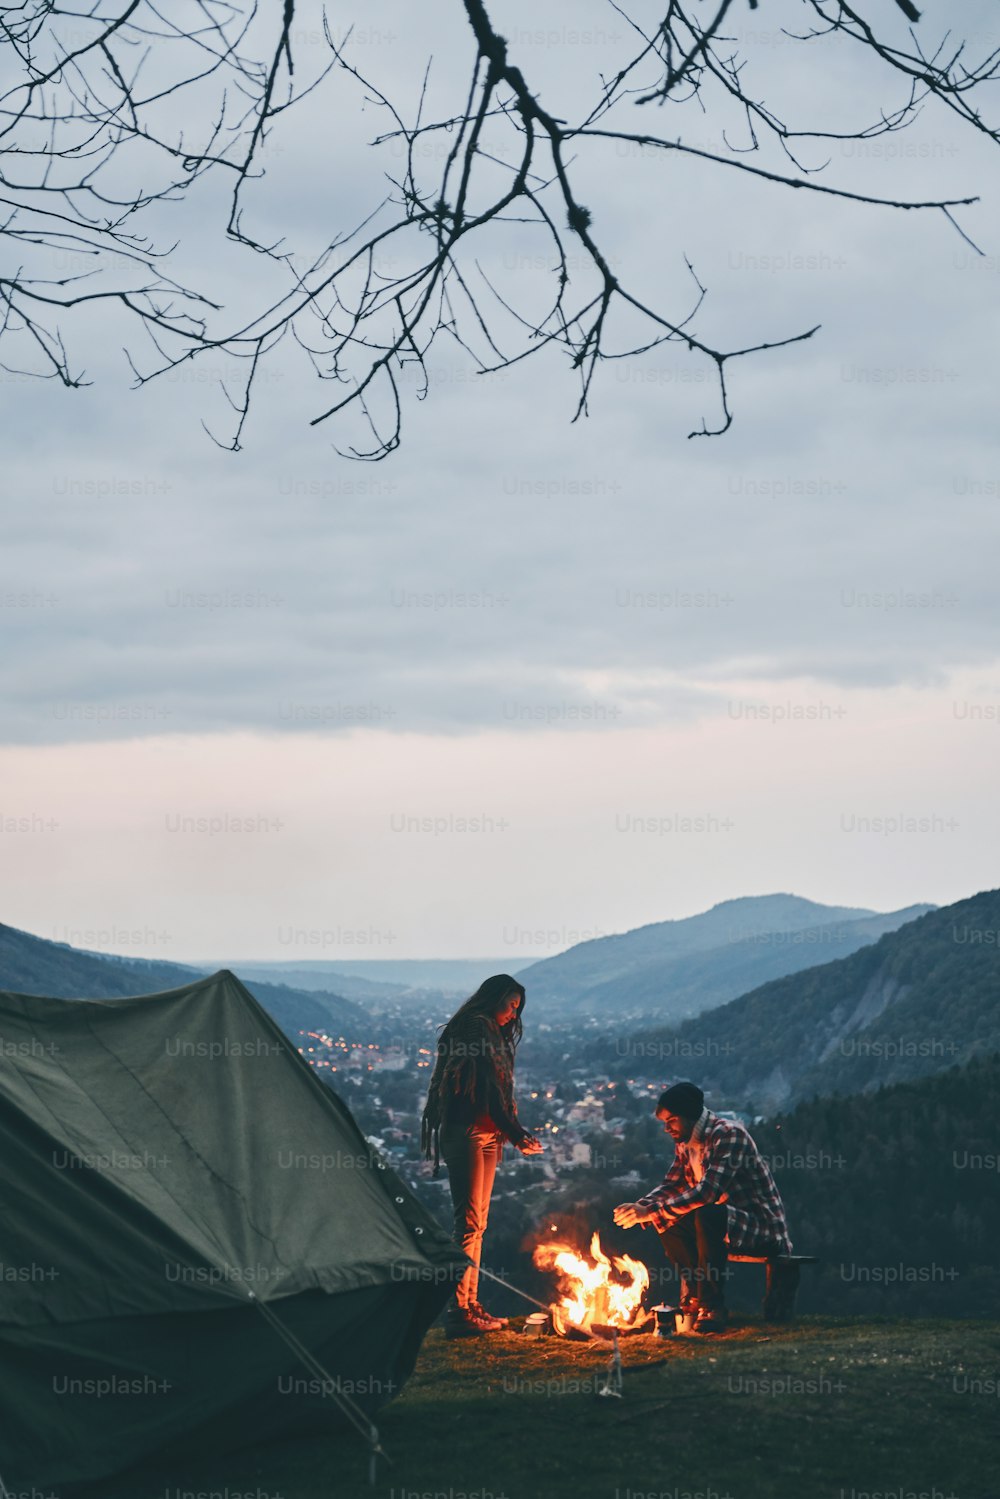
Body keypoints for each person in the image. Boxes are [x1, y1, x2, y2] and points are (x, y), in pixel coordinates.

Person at [613, 1080, 791, 1332]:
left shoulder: (728, 1135)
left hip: (760, 1228)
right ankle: (696, 1296)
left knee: (706, 1211)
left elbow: (708, 1192)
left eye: (672, 1120)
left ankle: (711, 1305)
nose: (667, 1128)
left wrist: (650, 1211)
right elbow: (672, 1184)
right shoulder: (685, 1143)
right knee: (666, 1220)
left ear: (689, 1115)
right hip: (723, 1225)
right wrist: (641, 1207)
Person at [421, 974, 542, 1338]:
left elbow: (495, 1090)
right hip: (467, 1130)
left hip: (488, 1133)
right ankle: (459, 1311)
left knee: (477, 1225)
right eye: (511, 1004)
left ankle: (469, 1305)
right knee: (468, 1224)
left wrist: (509, 1130)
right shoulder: (475, 1027)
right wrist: (517, 1133)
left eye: (517, 1008)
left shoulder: (489, 1028)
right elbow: (487, 1087)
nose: (513, 1013)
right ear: (495, 998)